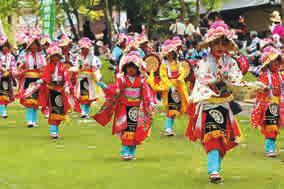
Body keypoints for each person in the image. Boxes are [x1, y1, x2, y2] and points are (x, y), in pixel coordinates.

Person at [185, 21, 262, 183]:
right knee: (212, 135)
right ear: (210, 44)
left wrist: (249, 87)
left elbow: (236, 80)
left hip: (224, 105)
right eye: (216, 43)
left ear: (228, 45)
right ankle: (213, 170)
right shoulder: (204, 62)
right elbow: (202, 78)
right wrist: (217, 81)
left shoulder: (231, 62)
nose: (220, 46)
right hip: (208, 103)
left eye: (223, 43)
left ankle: (216, 169)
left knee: (223, 138)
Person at [93, 51, 152, 160]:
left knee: (134, 130)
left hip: (136, 109)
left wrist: (148, 104)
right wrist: (105, 86)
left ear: (138, 68)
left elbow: (146, 94)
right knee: (125, 130)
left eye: (134, 67)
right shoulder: (122, 80)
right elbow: (115, 90)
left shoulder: (142, 81)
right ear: (125, 68)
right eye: (129, 67)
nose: (131, 69)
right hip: (124, 108)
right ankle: (125, 151)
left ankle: (132, 152)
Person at [147, 39, 189, 136]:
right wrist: (170, 86)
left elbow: (182, 72)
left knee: (176, 108)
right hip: (168, 88)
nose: (170, 55)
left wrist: (179, 78)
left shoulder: (178, 63)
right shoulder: (164, 64)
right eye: (169, 53)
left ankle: (169, 128)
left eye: (172, 53)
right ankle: (168, 128)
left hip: (178, 87)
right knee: (171, 108)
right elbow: (163, 76)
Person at [251, 46, 283, 157]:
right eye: (274, 60)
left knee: (275, 126)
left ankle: (271, 146)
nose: (277, 63)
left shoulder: (281, 75)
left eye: (278, 60)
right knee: (271, 125)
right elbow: (259, 89)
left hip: (279, 105)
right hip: (269, 105)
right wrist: (264, 88)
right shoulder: (264, 76)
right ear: (268, 63)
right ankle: (270, 148)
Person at [38, 44, 72, 139]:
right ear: (51, 57)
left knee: (60, 111)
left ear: (59, 57)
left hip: (61, 90)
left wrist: (67, 87)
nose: (55, 58)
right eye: (53, 56)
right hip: (52, 90)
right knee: (53, 110)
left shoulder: (63, 66)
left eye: (57, 56)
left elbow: (66, 77)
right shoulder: (48, 66)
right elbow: (46, 76)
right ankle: (53, 131)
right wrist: (41, 81)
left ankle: (56, 130)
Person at [17, 36, 46, 128]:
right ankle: (29, 121)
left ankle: (34, 120)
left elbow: (45, 68)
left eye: (36, 45)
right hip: (28, 80)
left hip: (38, 81)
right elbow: (20, 66)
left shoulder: (41, 56)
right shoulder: (25, 56)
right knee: (29, 101)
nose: (34, 47)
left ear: (38, 46)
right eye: (32, 45)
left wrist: (42, 75)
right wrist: (21, 68)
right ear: (29, 46)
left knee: (36, 102)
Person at [75, 37, 102, 118]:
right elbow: (77, 67)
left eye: (86, 48)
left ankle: (86, 111)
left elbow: (95, 67)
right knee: (84, 95)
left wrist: (95, 75)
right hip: (82, 78)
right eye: (83, 48)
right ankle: (84, 111)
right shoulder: (79, 57)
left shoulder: (93, 58)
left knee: (90, 96)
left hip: (90, 78)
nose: (84, 50)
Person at [0, 36, 16, 118]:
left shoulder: (11, 57)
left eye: (7, 46)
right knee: (2, 94)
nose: (5, 48)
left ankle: (3, 110)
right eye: (3, 46)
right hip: (1, 76)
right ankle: (3, 111)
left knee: (5, 95)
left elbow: (13, 66)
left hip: (7, 78)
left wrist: (11, 70)